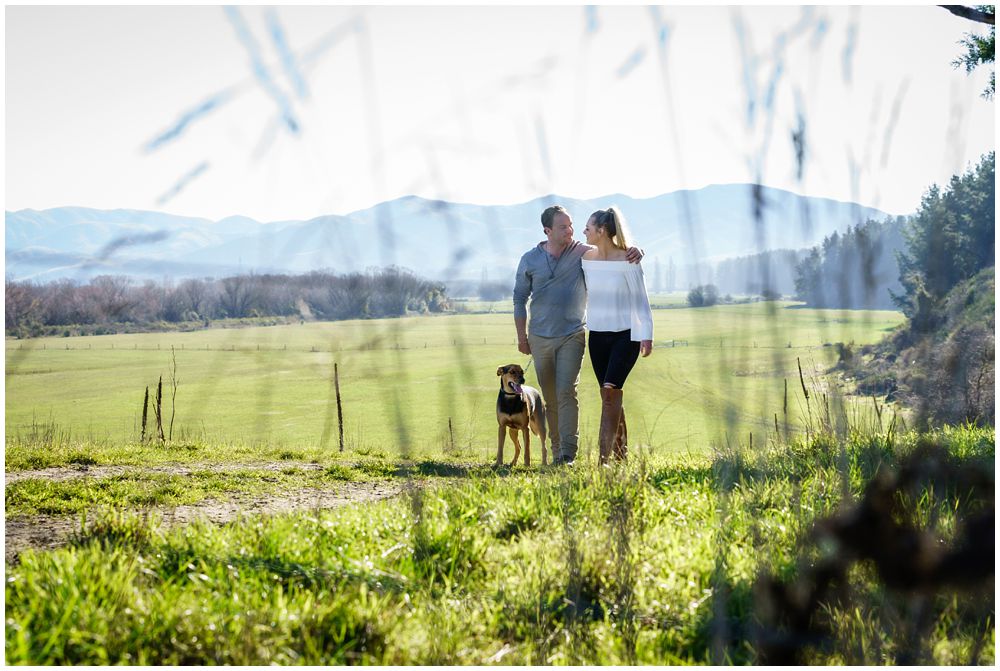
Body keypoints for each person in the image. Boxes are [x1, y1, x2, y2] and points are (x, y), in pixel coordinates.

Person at [512, 205, 642, 465]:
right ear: (548, 231)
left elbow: (610, 251)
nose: (571, 230)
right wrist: (522, 337)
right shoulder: (530, 259)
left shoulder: (583, 252)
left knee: (566, 392)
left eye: (571, 225)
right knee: (549, 396)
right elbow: (519, 298)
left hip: (572, 334)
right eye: (563, 227)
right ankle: (557, 448)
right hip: (539, 337)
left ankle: (568, 454)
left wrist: (635, 251)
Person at [581, 207, 653, 464]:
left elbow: (640, 299)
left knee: (610, 393)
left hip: (626, 336)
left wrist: (647, 334)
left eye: (588, 227)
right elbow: (561, 245)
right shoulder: (585, 258)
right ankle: (621, 455)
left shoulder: (628, 260)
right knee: (609, 396)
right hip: (597, 337)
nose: (584, 231)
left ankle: (603, 461)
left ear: (601, 231)